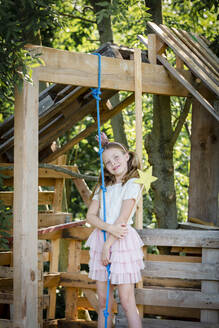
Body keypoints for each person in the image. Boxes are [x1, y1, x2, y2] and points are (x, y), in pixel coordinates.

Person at [85, 132, 144, 328]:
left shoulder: (133, 183)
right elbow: (90, 216)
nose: (113, 163)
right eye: (108, 162)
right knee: (104, 302)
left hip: (121, 242)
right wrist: (107, 229)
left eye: (116, 157)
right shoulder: (103, 187)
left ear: (126, 156)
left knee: (127, 302)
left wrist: (107, 246)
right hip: (101, 239)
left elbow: (122, 219)